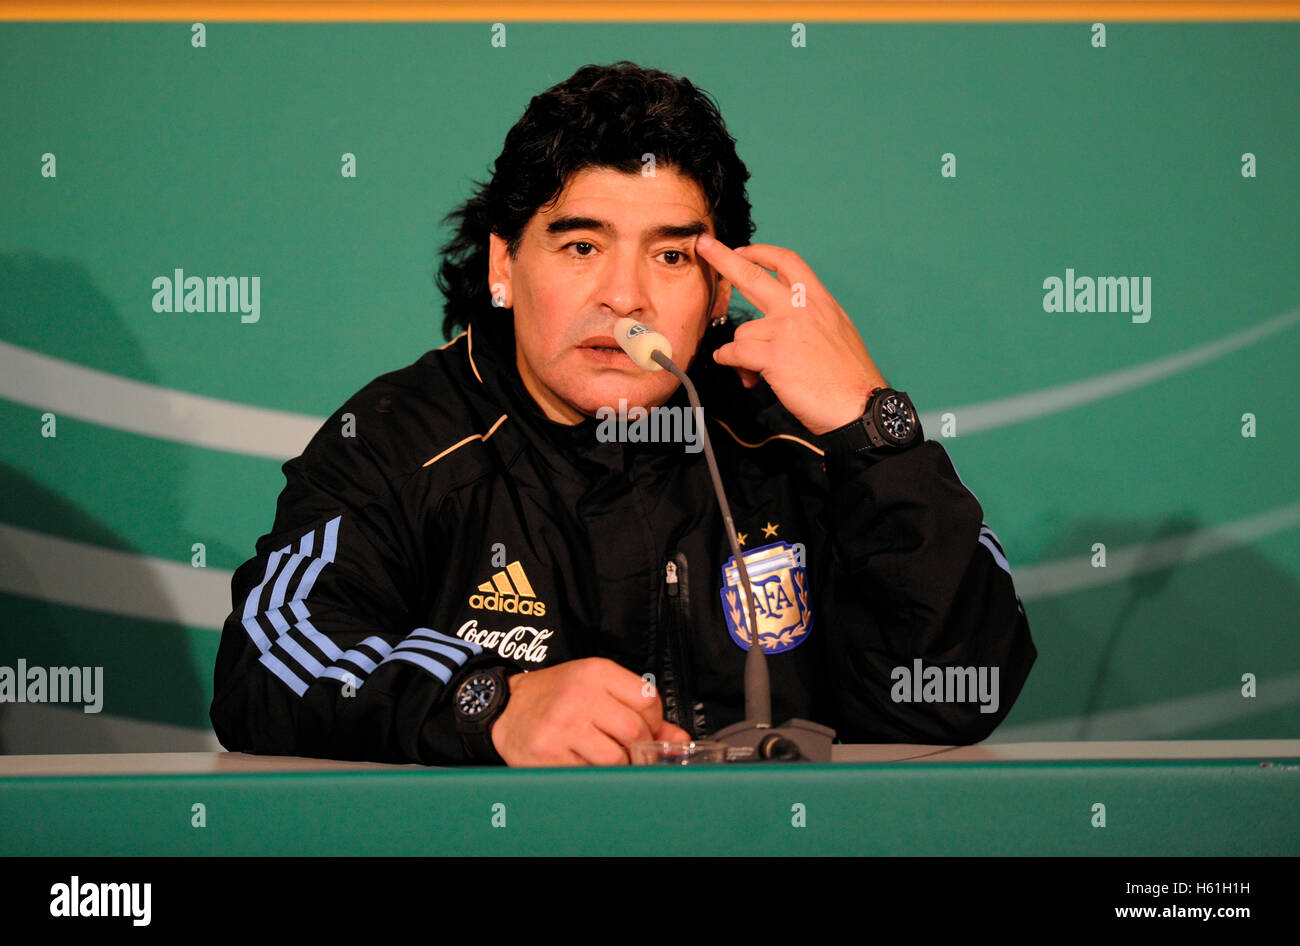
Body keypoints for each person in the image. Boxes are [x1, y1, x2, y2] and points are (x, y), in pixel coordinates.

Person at [210, 61, 1036, 767]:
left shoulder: (794, 432)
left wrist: (872, 426)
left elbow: (964, 691)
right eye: (581, 246)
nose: (625, 296)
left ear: (722, 290)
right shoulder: (399, 438)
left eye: (672, 255)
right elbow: (268, 659)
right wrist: (490, 703)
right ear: (504, 265)